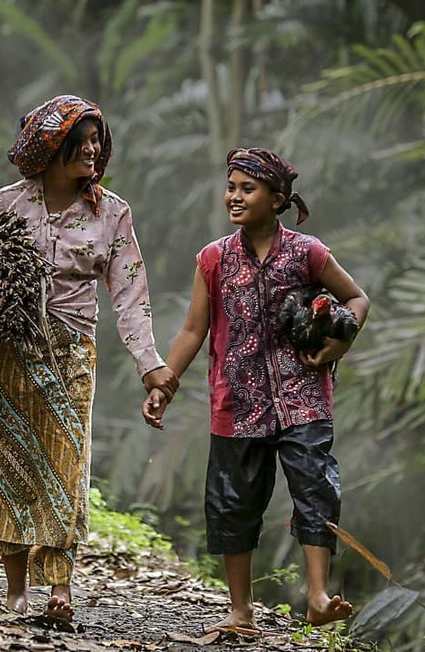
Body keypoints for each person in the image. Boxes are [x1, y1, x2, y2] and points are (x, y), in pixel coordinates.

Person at [0, 95, 177, 621]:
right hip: (8, 355)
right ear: (50, 146)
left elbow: (130, 296)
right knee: (6, 462)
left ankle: (59, 588)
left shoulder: (113, 214)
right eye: (79, 141)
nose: (91, 150)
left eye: (95, 142)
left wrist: (150, 366)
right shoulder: (2, 205)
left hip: (70, 357)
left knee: (65, 467)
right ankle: (16, 588)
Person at [141, 147, 369, 628]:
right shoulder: (214, 259)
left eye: (248, 188)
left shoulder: (308, 253)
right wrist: (165, 382)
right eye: (231, 187)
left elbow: (356, 297)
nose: (235, 197)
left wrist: (337, 347)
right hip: (236, 402)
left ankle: (318, 597)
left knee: (314, 488)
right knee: (232, 502)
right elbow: (191, 330)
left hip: (304, 399)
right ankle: (240, 610)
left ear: (277, 198)